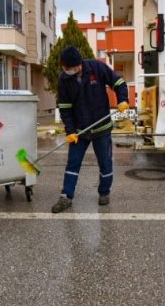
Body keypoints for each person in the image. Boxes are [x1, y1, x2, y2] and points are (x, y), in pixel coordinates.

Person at [51, 46, 129, 213]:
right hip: (80, 130)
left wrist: (123, 100)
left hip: (101, 127)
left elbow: (119, 83)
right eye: (64, 68)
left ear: (79, 64)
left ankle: (104, 192)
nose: (67, 71)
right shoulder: (64, 79)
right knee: (72, 163)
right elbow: (65, 108)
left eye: (69, 68)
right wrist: (70, 131)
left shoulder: (96, 67)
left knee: (105, 163)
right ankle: (66, 196)